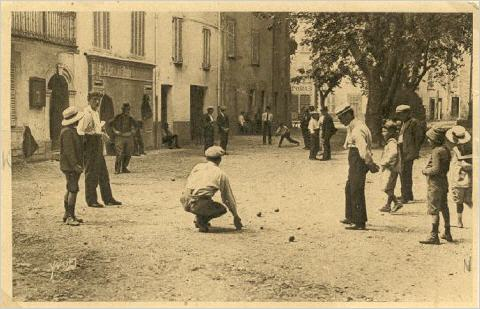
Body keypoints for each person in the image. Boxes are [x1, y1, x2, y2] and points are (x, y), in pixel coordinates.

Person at [180, 146, 243, 233]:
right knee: (221, 209)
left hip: (185, 200)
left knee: (205, 200)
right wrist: (235, 216)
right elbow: (227, 198)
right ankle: (202, 221)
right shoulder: (220, 174)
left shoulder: (198, 166)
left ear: (206, 158)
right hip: (199, 204)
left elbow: (189, 183)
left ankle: (199, 217)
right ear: (219, 160)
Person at [337, 105, 379, 230]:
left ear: (349, 115)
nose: (340, 121)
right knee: (349, 187)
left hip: (358, 161)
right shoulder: (354, 126)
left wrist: (370, 164)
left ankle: (359, 221)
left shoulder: (357, 130)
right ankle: (350, 216)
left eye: (341, 117)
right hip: (355, 160)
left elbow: (364, 151)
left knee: (356, 190)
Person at [77, 92, 122, 208]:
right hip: (90, 145)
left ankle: (108, 198)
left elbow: (96, 128)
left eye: (98, 100)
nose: (97, 102)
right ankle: (91, 200)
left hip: (97, 145)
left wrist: (101, 133)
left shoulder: (95, 113)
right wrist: (95, 136)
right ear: (89, 100)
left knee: (103, 173)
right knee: (91, 173)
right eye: (94, 99)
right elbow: (81, 131)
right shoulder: (86, 114)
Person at [419, 127, 452, 244]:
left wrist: (425, 171)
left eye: (429, 139)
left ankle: (434, 235)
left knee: (433, 209)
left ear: (435, 140)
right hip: (444, 181)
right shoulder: (446, 150)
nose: (428, 141)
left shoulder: (436, 151)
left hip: (435, 183)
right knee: (444, 206)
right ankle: (447, 231)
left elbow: (436, 169)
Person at [59, 106, 85, 226]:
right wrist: (75, 165)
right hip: (70, 166)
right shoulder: (68, 132)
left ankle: (68, 214)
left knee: (70, 188)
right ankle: (70, 216)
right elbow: (69, 152)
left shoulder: (71, 130)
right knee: (73, 189)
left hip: (71, 165)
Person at [396, 104, 425, 203]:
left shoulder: (414, 123)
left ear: (407, 113)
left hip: (408, 152)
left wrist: (414, 150)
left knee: (406, 173)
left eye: (401, 114)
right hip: (402, 150)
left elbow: (419, 138)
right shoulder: (403, 123)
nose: (399, 116)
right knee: (403, 173)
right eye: (398, 114)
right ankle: (406, 194)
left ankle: (406, 196)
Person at [446, 126, 472, 228]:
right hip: (468, 177)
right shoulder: (470, 147)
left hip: (458, 177)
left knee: (459, 201)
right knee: (468, 199)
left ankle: (459, 221)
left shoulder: (455, 149)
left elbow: (459, 163)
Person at [378, 120, 403, 213]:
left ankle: (396, 202)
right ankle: (388, 205)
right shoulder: (390, 142)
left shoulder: (392, 143)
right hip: (392, 168)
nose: (383, 133)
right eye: (382, 131)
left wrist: (385, 162)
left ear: (391, 132)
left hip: (391, 168)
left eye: (385, 131)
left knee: (386, 187)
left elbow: (393, 154)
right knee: (390, 186)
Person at [110, 103, 136, 174]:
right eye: (125, 109)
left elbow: (135, 127)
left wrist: (132, 131)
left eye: (128, 109)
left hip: (128, 137)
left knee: (128, 153)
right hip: (119, 137)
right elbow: (111, 125)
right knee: (119, 153)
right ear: (123, 110)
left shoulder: (131, 118)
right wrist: (115, 131)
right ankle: (117, 169)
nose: (127, 111)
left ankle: (124, 167)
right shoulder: (117, 117)